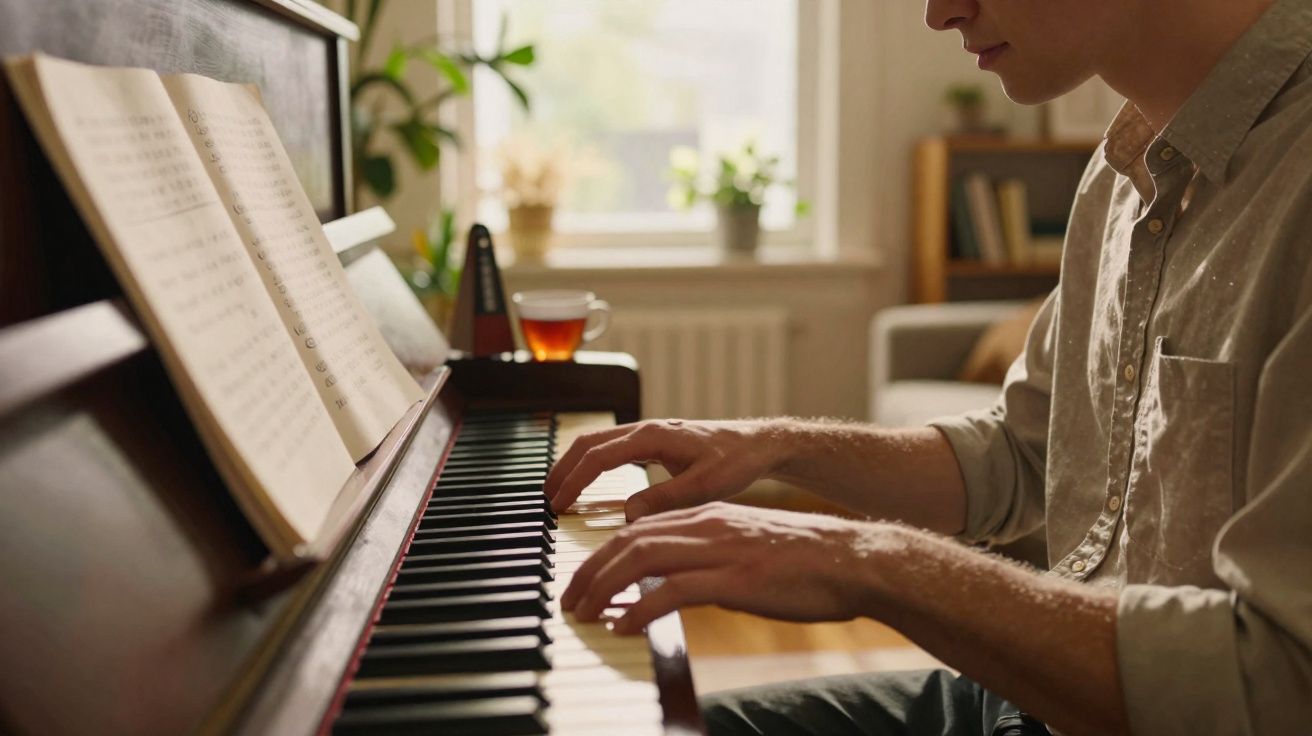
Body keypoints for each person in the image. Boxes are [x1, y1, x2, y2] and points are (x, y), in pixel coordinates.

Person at [546, 0, 1312, 733]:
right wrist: (770, 445)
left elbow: (1279, 687)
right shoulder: (1123, 171)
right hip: (1030, 700)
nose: (937, 12)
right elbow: (1024, 454)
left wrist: (872, 563)